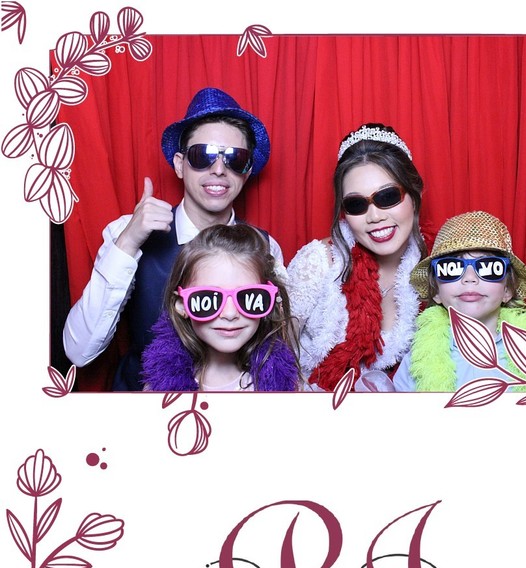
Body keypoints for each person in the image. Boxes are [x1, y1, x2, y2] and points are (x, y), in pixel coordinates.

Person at [63, 87, 282, 389]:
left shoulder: (264, 247)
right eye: (203, 155)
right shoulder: (128, 234)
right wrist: (128, 243)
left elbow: (277, 345)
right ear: (179, 164)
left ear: (247, 171)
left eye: (235, 158)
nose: (219, 169)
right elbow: (78, 351)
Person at [284, 123, 424, 390]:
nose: (375, 217)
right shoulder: (320, 263)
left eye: (388, 196)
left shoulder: (440, 267)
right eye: (356, 204)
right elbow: (272, 354)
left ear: (415, 193)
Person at [391, 211, 526, 391]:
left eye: (488, 267)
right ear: (436, 292)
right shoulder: (418, 356)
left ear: (507, 290)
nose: (470, 278)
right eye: (451, 268)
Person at [141, 224, 299, 392]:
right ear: (181, 305)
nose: (230, 314)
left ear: (268, 300)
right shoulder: (158, 388)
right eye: (209, 299)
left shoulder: (284, 385)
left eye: (247, 297)